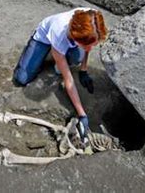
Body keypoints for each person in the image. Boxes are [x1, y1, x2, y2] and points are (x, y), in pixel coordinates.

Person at [13, 8, 108, 141]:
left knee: (77, 58)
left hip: (69, 41)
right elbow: (68, 81)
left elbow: (88, 44)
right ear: (75, 37)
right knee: (21, 79)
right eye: (87, 45)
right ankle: (43, 53)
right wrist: (82, 114)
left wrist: (83, 70)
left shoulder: (92, 17)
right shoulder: (58, 33)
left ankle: (60, 56)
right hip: (44, 38)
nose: (90, 49)